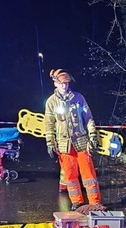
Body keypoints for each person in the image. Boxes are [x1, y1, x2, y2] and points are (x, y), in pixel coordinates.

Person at [44, 69, 102, 211]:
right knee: (70, 176)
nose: (65, 86)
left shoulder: (78, 98)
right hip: (64, 145)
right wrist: (50, 142)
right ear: (56, 83)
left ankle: (95, 203)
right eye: (62, 83)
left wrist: (93, 136)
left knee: (89, 175)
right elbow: (49, 124)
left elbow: (88, 118)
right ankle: (77, 202)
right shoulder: (51, 102)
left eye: (67, 83)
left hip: (81, 142)